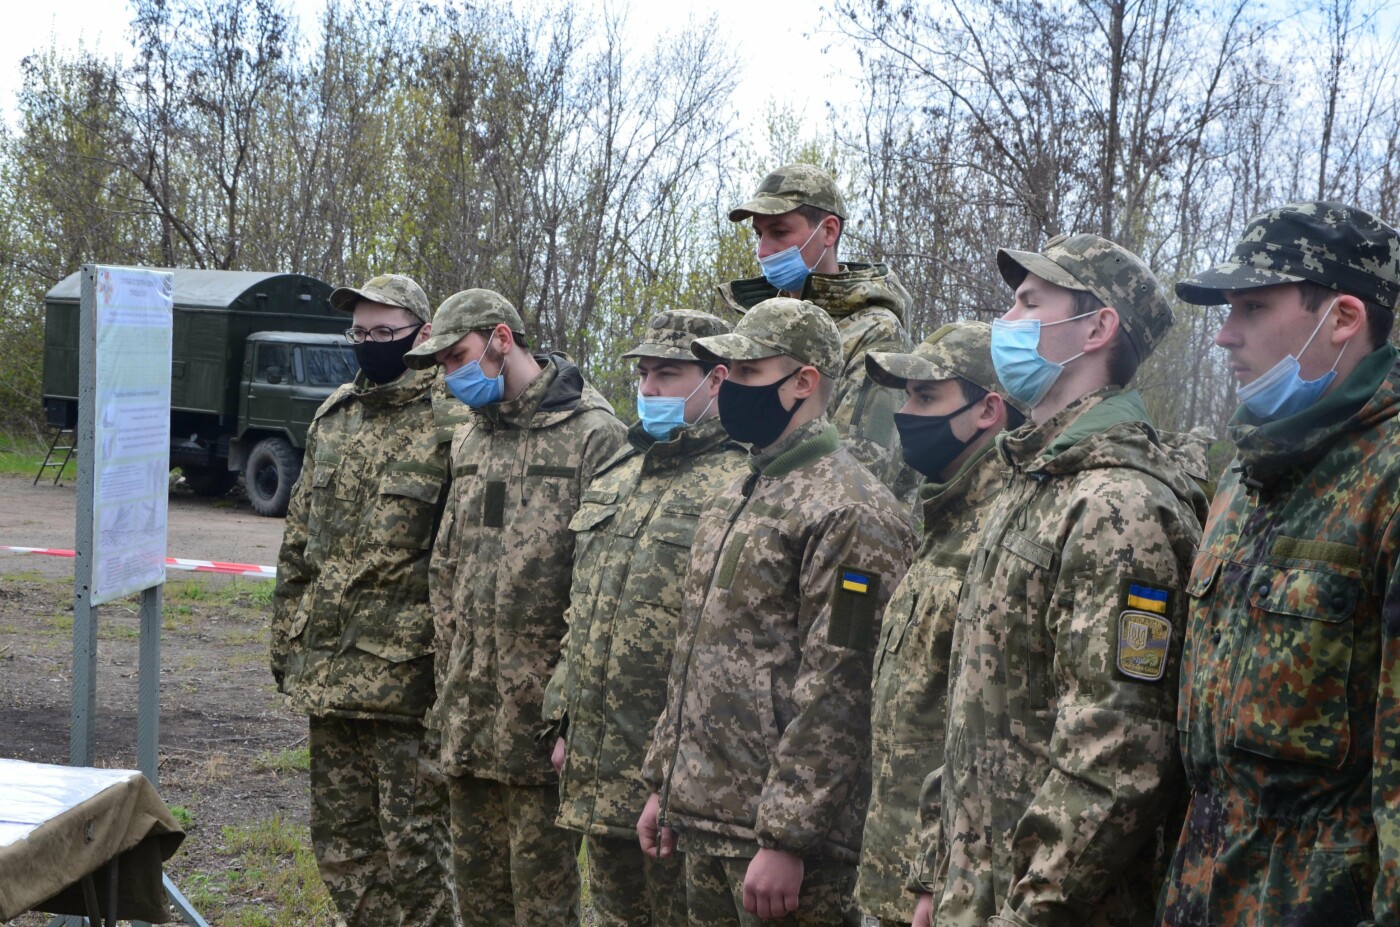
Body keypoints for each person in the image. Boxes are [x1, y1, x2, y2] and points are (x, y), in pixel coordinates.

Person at [931, 234, 1207, 927]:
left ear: (1097, 327)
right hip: (979, 898)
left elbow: (1117, 756)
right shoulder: (1037, 482)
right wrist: (934, 880)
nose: (1007, 320)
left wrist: (1026, 911)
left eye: (1030, 301)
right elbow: (978, 715)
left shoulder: (1119, 505)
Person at [638, 297, 916, 926]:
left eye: (748, 374)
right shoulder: (739, 490)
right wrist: (664, 782)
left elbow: (841, 685)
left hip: (782, 846)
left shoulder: (851, 511)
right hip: (707, 814)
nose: (730, 388)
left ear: (804, 382)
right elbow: (696, 652)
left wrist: (787, 836)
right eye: (727, 375)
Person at [1160, 201, 1400, 926]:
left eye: (1254, 307)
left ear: (1344, 317)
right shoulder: (1242, 477)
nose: (1226, 335)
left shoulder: (1387, 480)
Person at [402, 289, 628, 927]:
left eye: (458, 357)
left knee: (542, 906)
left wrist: (568, 710)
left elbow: (597, 586)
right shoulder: (472, 438)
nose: (451, 377)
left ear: (502, 339)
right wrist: (449, 682)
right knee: (478, 902)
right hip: (469, 717)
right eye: (442, 365)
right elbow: (447, 567)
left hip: (539, 724)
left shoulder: (592, 434)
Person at [543, 310, 747, 927]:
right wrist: (563, 716)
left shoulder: (740, 480)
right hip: (601, 758)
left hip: (679, 774)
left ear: (716, 380)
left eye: (668, 374)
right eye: (644, 375)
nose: (651, 389)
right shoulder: (620, 472)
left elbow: (732, 639)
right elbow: (582, 607)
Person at [269, 273, 457, 927]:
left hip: (410, 687)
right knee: (344, 849)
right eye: (361, 333)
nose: (371, 344)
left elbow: (464, 567)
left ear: (423, 334)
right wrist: (285, 642)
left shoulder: (451, 424)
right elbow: (298, 546)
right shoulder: (335, 417)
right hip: (330, 674)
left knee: (418, 857)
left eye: (386, 333)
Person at [853, 320, 1025, 927]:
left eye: (926, 397)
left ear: (988, 411)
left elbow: (989, 738)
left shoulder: (1006, 535)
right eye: (904, 397)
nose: (905, 414)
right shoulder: (942, 519)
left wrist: (934, 874)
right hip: (892, 873)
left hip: (947, 891)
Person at [720, 163, 916, 493]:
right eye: (759, 234)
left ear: (828, 231)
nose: (763, 251)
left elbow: (862, 470)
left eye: (780, 232)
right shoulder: (753, 329)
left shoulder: (875, 334)